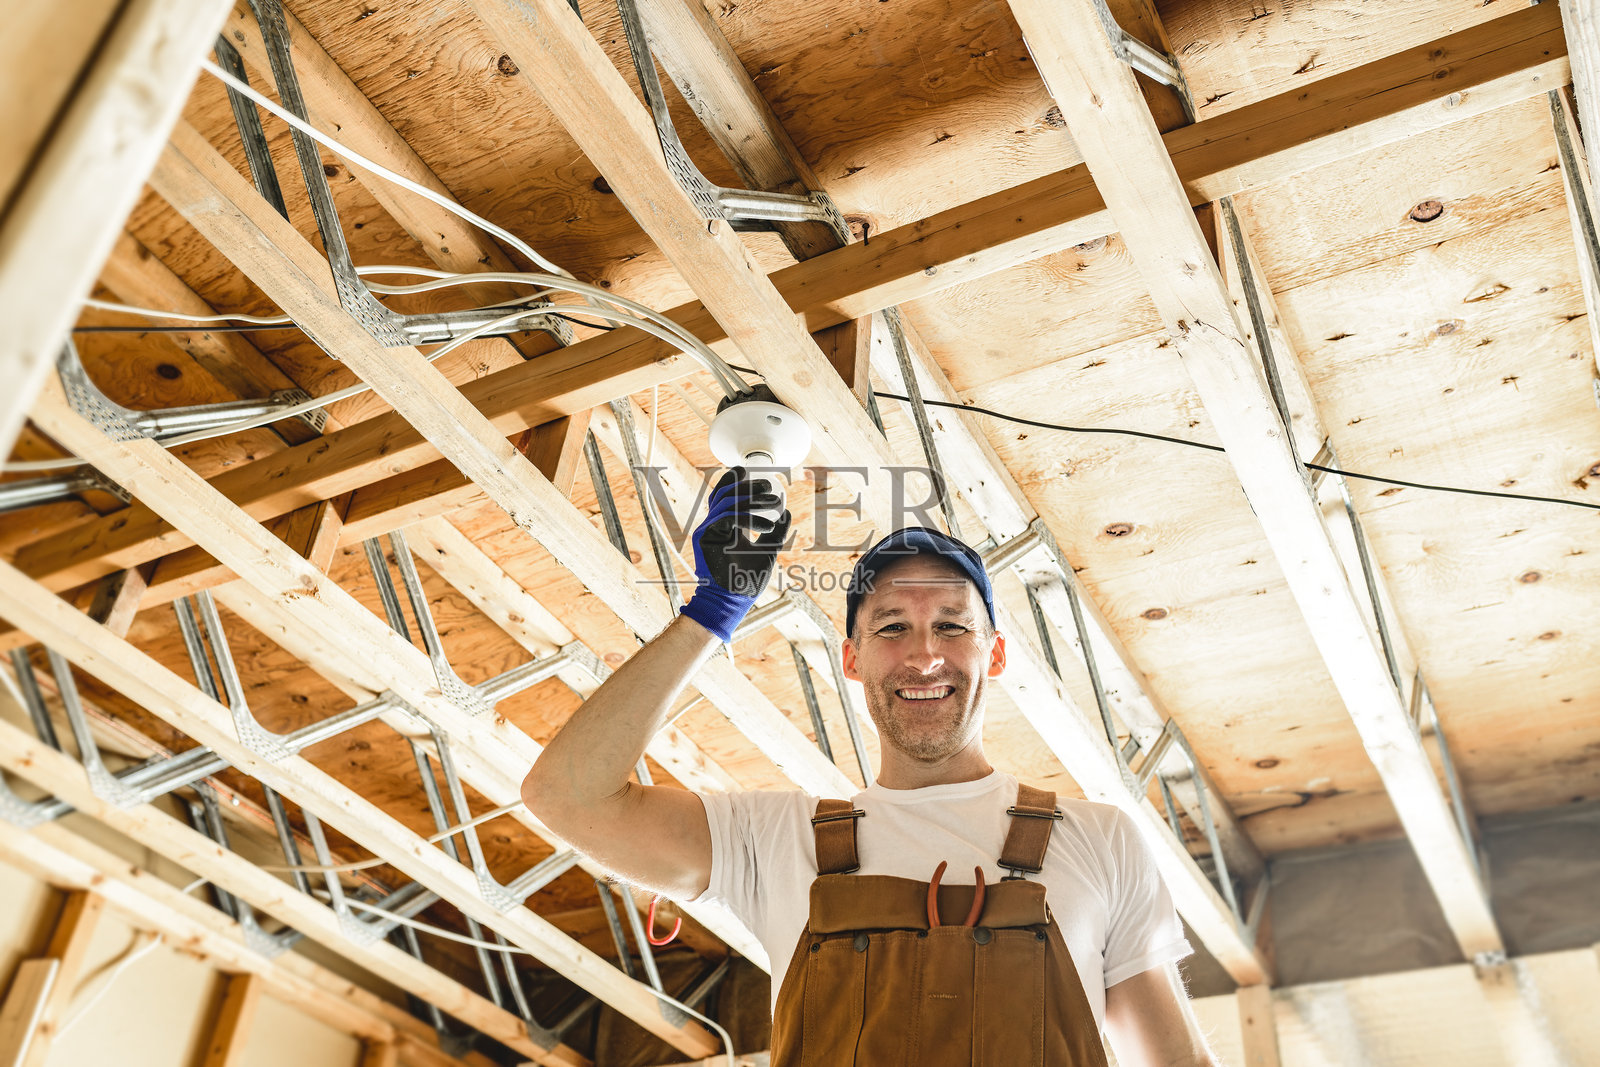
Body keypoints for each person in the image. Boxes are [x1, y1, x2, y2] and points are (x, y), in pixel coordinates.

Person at [523, 469, 1221, 1065]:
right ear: (852, 660)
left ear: (995, 655)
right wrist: (712, 612)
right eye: (891, 626)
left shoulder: (1097, 839)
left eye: (952, 623)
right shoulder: (772, 840)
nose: (923, 654)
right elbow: (567, 794)